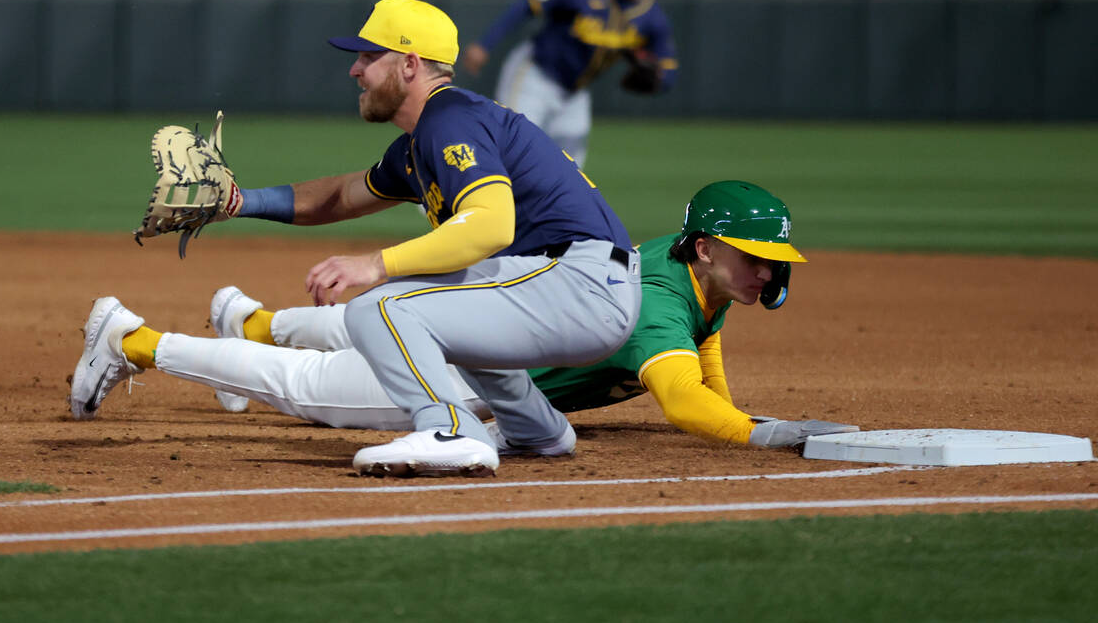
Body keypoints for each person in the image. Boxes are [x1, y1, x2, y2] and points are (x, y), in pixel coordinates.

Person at [70, 0, 641, 479]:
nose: (355, 69)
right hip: (578, 283)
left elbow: (492, 224)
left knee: (380, 307)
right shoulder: (425, 139)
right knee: (447, 299)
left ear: (410, 64)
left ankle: (445, 431)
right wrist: (240, 204)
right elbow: (341, 196)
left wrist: (376, 265)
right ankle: (536, 431)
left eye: (369, 56)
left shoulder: (451, 120)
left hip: (578, 283)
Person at [78, 180, 857, 451]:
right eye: (753, 254)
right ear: (705, 249)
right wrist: (765, 432)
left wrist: (741, 410)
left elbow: (705, 347)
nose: (766, 270)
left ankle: (245, 318)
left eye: (773, 260)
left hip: (480, 328)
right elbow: (685, 401)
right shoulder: (656, 302)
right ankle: (133, 338)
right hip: (466, 371)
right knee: (309, 387)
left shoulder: (687, 273)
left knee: (364, 323)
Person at [460, 0, 678, 168]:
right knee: (510, 149)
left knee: (569, 171)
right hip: (534, 75)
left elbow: (669, 67)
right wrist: (485, 44)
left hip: (575, 94)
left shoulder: (651, 16)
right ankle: (450, 185)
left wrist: (658, 78)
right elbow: (528, 4)